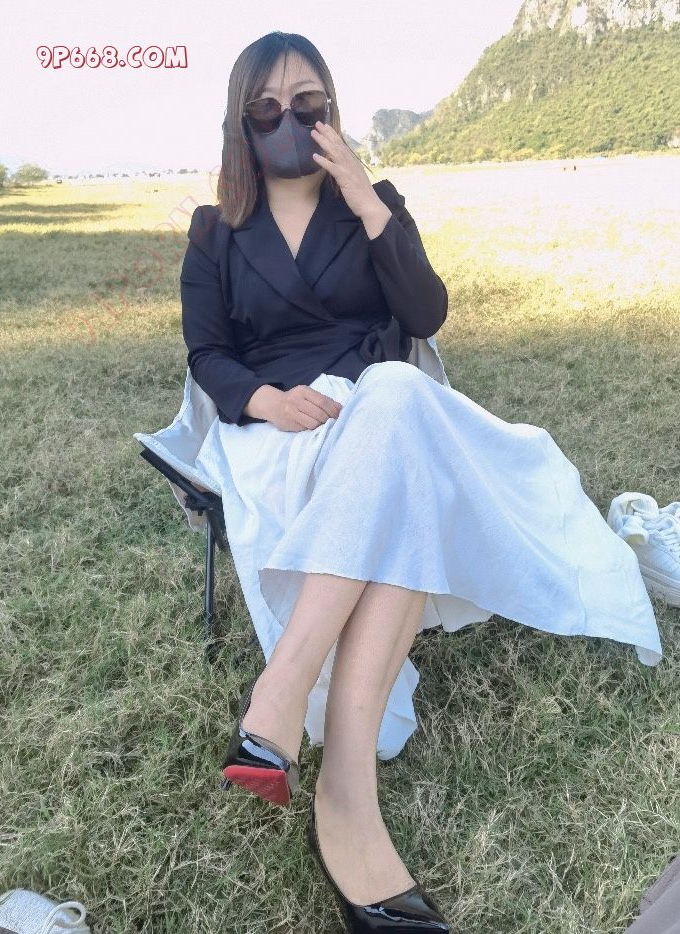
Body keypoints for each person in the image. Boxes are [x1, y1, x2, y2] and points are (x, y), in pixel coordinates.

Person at [179, 31, 663, 934]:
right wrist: (266, 400)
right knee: (406, 448)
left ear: (332, 109)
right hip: (281, 431)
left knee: (397, 396)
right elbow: (208, 353)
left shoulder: (374, 205)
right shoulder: (216, 231)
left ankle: (287, 706)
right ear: (242, 122)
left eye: (308, 102)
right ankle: (344, 793)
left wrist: (366, 196)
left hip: (377, 411)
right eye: (267, 107)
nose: (289, 120)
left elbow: (425, 312)